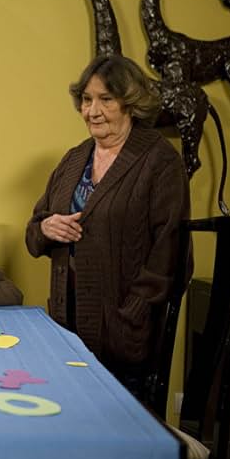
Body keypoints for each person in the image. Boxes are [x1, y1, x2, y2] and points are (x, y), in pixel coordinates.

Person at [25, 54, 191, 403]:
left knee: (120, 433)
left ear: (129, 103)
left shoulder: (160, 160)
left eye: (106, 99)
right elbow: (34, 234)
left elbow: (171, 251)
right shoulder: (74, 158)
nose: (92, 110)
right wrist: (47, 228)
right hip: (65, 327)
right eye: (86, 99)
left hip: (123, 334)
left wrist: (132, 312)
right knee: (66, 422)